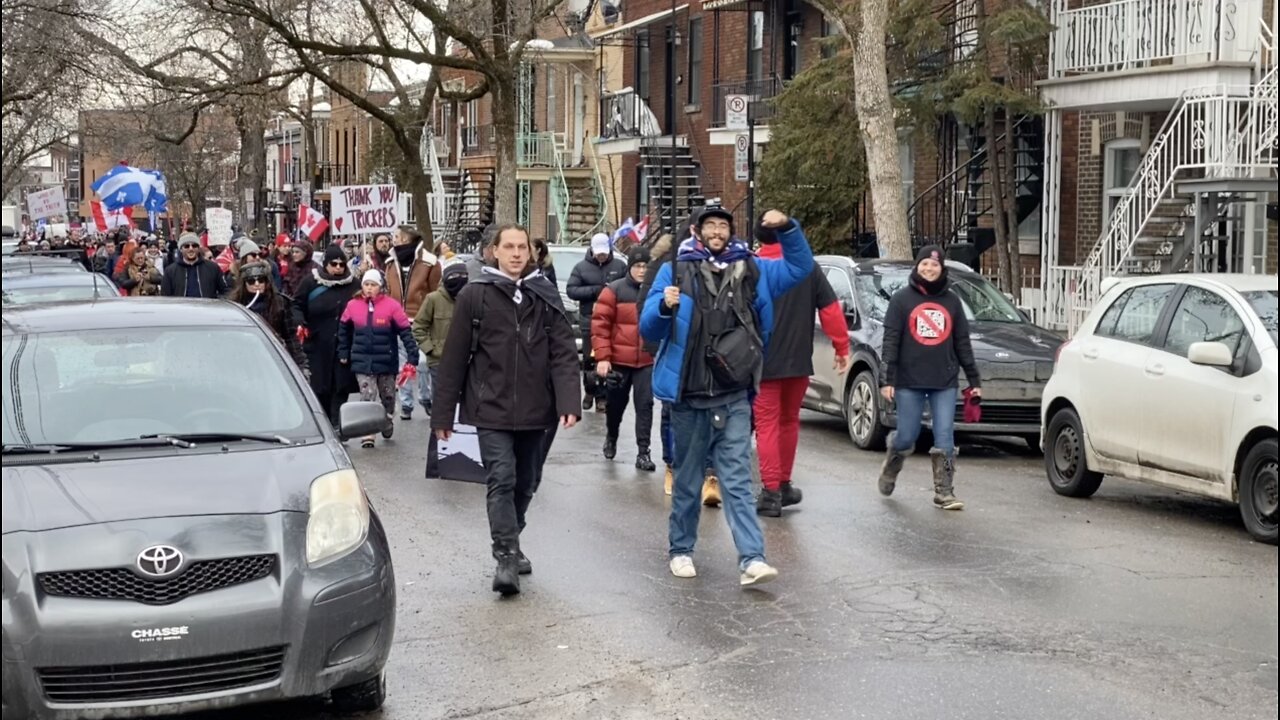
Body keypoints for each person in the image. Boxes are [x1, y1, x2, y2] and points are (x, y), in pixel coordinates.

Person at [639, 207, 812, 587]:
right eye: (710, 226)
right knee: (688, 479)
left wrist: (787, 229)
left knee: (735, 479)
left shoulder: (751, 268)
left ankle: (752, 558)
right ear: (697, 231)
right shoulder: (675, 269)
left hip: (733, 392)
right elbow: (647, 326)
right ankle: (681, 550)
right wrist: (664, 306)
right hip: (689, 394)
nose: (717, 232)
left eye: (723, 226)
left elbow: (801, 267)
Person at [431, 224, 580, 597]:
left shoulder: (544, 294)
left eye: (522, 247)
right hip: (490, 407)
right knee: (502, 477)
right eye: (508, 247)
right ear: (494, 251)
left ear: (530, 253)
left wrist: (568, 402)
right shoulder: (474, 296)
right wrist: (443, 415)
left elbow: (563, 352)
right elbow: (454, 359)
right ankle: (506, 558)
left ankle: (513, 537)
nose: (516, 254)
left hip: (537, 409)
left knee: (528, 480)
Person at [752, 214, 852, 517]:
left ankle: (770, 491)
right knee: (788, 421)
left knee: (766, 425)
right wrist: (841, 346)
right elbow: (831, 309)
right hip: (798, 359)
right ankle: (783, 484)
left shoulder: (752, 267)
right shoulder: (807, 267)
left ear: (758, 239)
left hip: (762, 359)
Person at [877, 245, 981, 511]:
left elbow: (962, 343)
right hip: (908, 380)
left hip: (943, 380)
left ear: (942, 268)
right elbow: (890, 342)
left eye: (934, 265)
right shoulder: (901, 300)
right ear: (917, 266)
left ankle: (945, 490)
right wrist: (887, 380)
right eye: (924, 264)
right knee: (907, 436)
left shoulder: (952, 302)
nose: (929, 269)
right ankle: (894, 459)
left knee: (945, 437)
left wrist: (974, 380)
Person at [338, 268, 420, 449]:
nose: (369, 288)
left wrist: (412, 355)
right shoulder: (353, 305)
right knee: (367, 396)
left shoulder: (392, 306)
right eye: (366, 284)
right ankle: (368, 432)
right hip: (362, 360)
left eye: (373, 285)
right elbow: (343, 330)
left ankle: (387, 420)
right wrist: (343, 352)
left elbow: (405, 332)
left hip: (386, 360)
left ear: (380, 287)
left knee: (388, 396)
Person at [591, 246, 656, 471]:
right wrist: (603, 357)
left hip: (646, 360)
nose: (641, 270)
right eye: (637, 266)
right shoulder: (614, 290)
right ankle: (611, 436)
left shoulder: (656, 291)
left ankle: (643, 451)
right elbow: (600, 325)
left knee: (645, 405)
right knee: (616, 405)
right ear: (630, 267)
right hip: (619, 360)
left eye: (645, 266)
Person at [412, 262, 468, 477]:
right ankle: (439, 457)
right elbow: (419, 327)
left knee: (465, 407)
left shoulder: (470, 298)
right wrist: (431, 350)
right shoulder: (433, 299)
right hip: (440, 363)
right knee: (442, 407)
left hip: (466, 362)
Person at [295, 244, 359, 430]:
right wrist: (301, 322)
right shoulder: (310, 282)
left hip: (344, 343)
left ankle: (337, 423)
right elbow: (297, 304)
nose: (338, 268)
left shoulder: (353, 283)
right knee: (320, 385)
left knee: (341, 384)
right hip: (317, 341)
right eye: (334, 264)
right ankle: (323, 423)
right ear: (325, 264)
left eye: (342, 264)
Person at [567, 232, 626, 413]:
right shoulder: (580, 267)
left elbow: (628, 287)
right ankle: (590, 391)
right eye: (599, 252)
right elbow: (572, 290)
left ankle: (603, 396)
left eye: (605, 252)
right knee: (589, 360)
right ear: (592, 250)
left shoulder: (620, 266)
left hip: (613, 321)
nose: (602, 255)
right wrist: (595, 291)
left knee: (608, 360)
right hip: (589, 320)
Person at [385, 225, 440, 420]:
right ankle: (406, 404)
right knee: (402, 364)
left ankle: (426, 398)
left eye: (397, 236)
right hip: (398, 320)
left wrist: (432, 316)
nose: (393, 240)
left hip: (421, 320)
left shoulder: (430, 263)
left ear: (407, 239)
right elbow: (389, 291)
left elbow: (436, 293)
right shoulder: (391, 262)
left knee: (423, 363)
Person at [229, 260, 310, 370]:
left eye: (261, 280)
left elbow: (290, 337)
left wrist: (301, 365)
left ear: (267, 282)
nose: (257, 284)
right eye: (251, 281)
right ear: (245, 284)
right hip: (245, 358)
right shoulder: (235, 305)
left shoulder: (280, 303)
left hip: (273, 357)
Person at [161, 232, 227, 298]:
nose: (191, 249)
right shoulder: (170, 271)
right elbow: (166, 297)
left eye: (194, 246)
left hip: (206, 307)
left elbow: (225, 291)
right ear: (181, 249)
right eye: (186, 246)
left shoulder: (213, 268)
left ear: (198, 248)